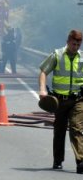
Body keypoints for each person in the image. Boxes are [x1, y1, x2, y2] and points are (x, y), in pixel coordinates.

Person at [39, 29, 83, 174]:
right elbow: (44, 71)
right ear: (68, 42)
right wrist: (42, 90)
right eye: (73, 44)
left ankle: (80, 161)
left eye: (78, 44)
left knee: (77, 128)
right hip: (60, 101)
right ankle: (58, 160)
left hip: (77, 100)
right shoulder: (57, 55)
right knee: (60, 131)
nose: (75, 47)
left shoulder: (82, 58)